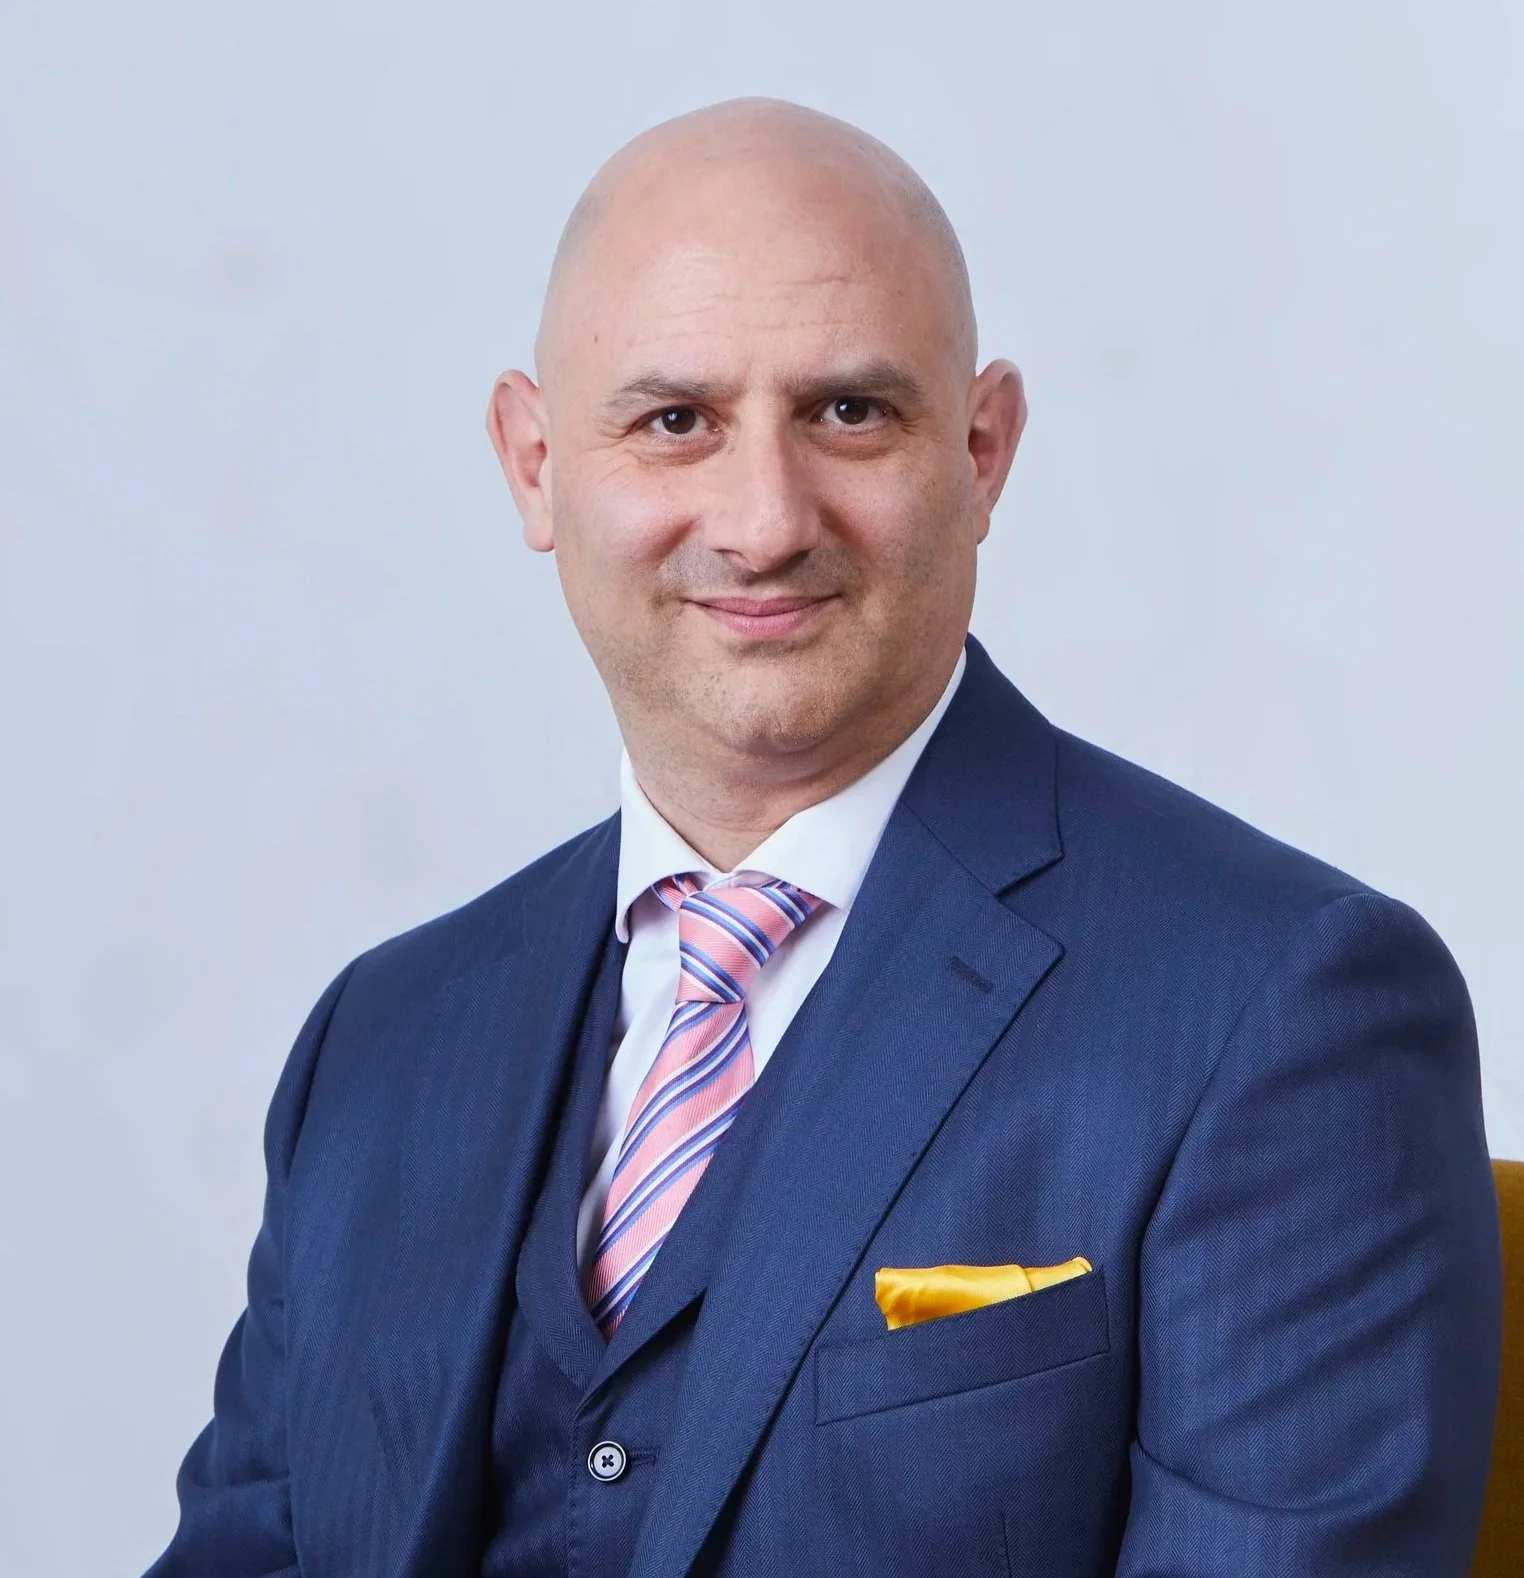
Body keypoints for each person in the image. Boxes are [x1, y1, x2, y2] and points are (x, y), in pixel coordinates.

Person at [145, 98, 1501, 1578]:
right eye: (676, 421)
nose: (764, 517)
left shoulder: (1281, 1009)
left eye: (850, 412)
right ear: (535, 464)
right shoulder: (383, 1041)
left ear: (984, 452)